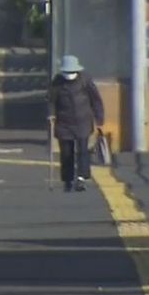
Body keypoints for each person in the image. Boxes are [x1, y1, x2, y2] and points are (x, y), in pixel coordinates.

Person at [48, 54, 105, 192]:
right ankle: (67, 179)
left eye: (72, 71)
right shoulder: (57, 82)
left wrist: (99, 117)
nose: (69, 74)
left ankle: (81, 178)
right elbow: (51, 100)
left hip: (82, 120)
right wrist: (51, 114)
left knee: (83, 151)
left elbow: (95, 99)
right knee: (66, 152)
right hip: (64, 121)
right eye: (67, 72)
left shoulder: (85, 79)